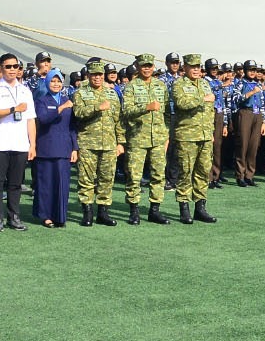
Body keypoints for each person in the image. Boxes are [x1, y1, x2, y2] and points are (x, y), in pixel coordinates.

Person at [0, 53, 35, 231]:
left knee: (15, 184)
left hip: (20, 143)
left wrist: (33, 144)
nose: (12, 70)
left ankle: (14, 216)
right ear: (1, 68)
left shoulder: (25, 90)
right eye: (8, 66)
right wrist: (14, 109)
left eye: (16, 66)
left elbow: (31, 119)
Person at [120, 53, 170, 222]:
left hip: (158, 138)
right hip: (138, 138)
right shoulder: (131, 86)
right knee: (134, 176)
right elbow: (126, 111)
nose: (147, 68)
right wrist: (146, 107)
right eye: (144, 66)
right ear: (138, 67)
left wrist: (166, 134)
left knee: (158, 175)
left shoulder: (160, 86)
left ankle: (154, 210)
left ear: (153, 67)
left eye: (149, 65)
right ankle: (134, 210)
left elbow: (167, 113)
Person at [71, 61, 122, 225]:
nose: (97, 78)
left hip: (109, 144)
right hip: (88, 143)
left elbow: (118, 120)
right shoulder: (80, 93)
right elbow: (78, 113)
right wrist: (96, 107)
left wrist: (120, 142)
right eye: (94, 75)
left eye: (100, 74)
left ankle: (103, 212)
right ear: (88, 76)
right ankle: (87, 213)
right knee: (86, 179)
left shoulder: (112, 94)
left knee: (107, 178)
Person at [171, 53, 220, 220]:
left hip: (205, 135)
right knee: (185, 171)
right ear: (185, 67)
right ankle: (184, 207)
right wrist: (202, 98)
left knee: (203, 171)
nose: (196, 70)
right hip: (187, 135)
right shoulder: (179, 84)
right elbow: (181, 103)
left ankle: (200, 207)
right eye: (192, 67)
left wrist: (210, 132)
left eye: (198, 67)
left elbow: (210, 111)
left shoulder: (205, 83)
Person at [31, 71, 76, 227]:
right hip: (47, 149)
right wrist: (61, 108)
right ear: (47, 83)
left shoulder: (66, 100)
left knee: (62, 185)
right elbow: (43, 119)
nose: (56, 84)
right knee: (46, 184)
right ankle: (46, 216)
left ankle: (59, 216)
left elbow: (72, 127)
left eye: (58, 81)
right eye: (53, 81)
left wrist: (75, 148)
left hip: (64, 149)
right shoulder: (41, 101)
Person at [231, 61, 265, 187]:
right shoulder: (241, 83)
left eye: (254, 70)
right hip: (245, 112)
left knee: (254, 146)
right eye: (250, 70)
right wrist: (250, 93)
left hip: (257, 115)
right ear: (245, 71)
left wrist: (263, 122)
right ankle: (240, 175)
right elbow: (235, 99)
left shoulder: (258, 84)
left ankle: (249, 175)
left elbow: (262, 104)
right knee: (243, 145)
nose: (253, 72)